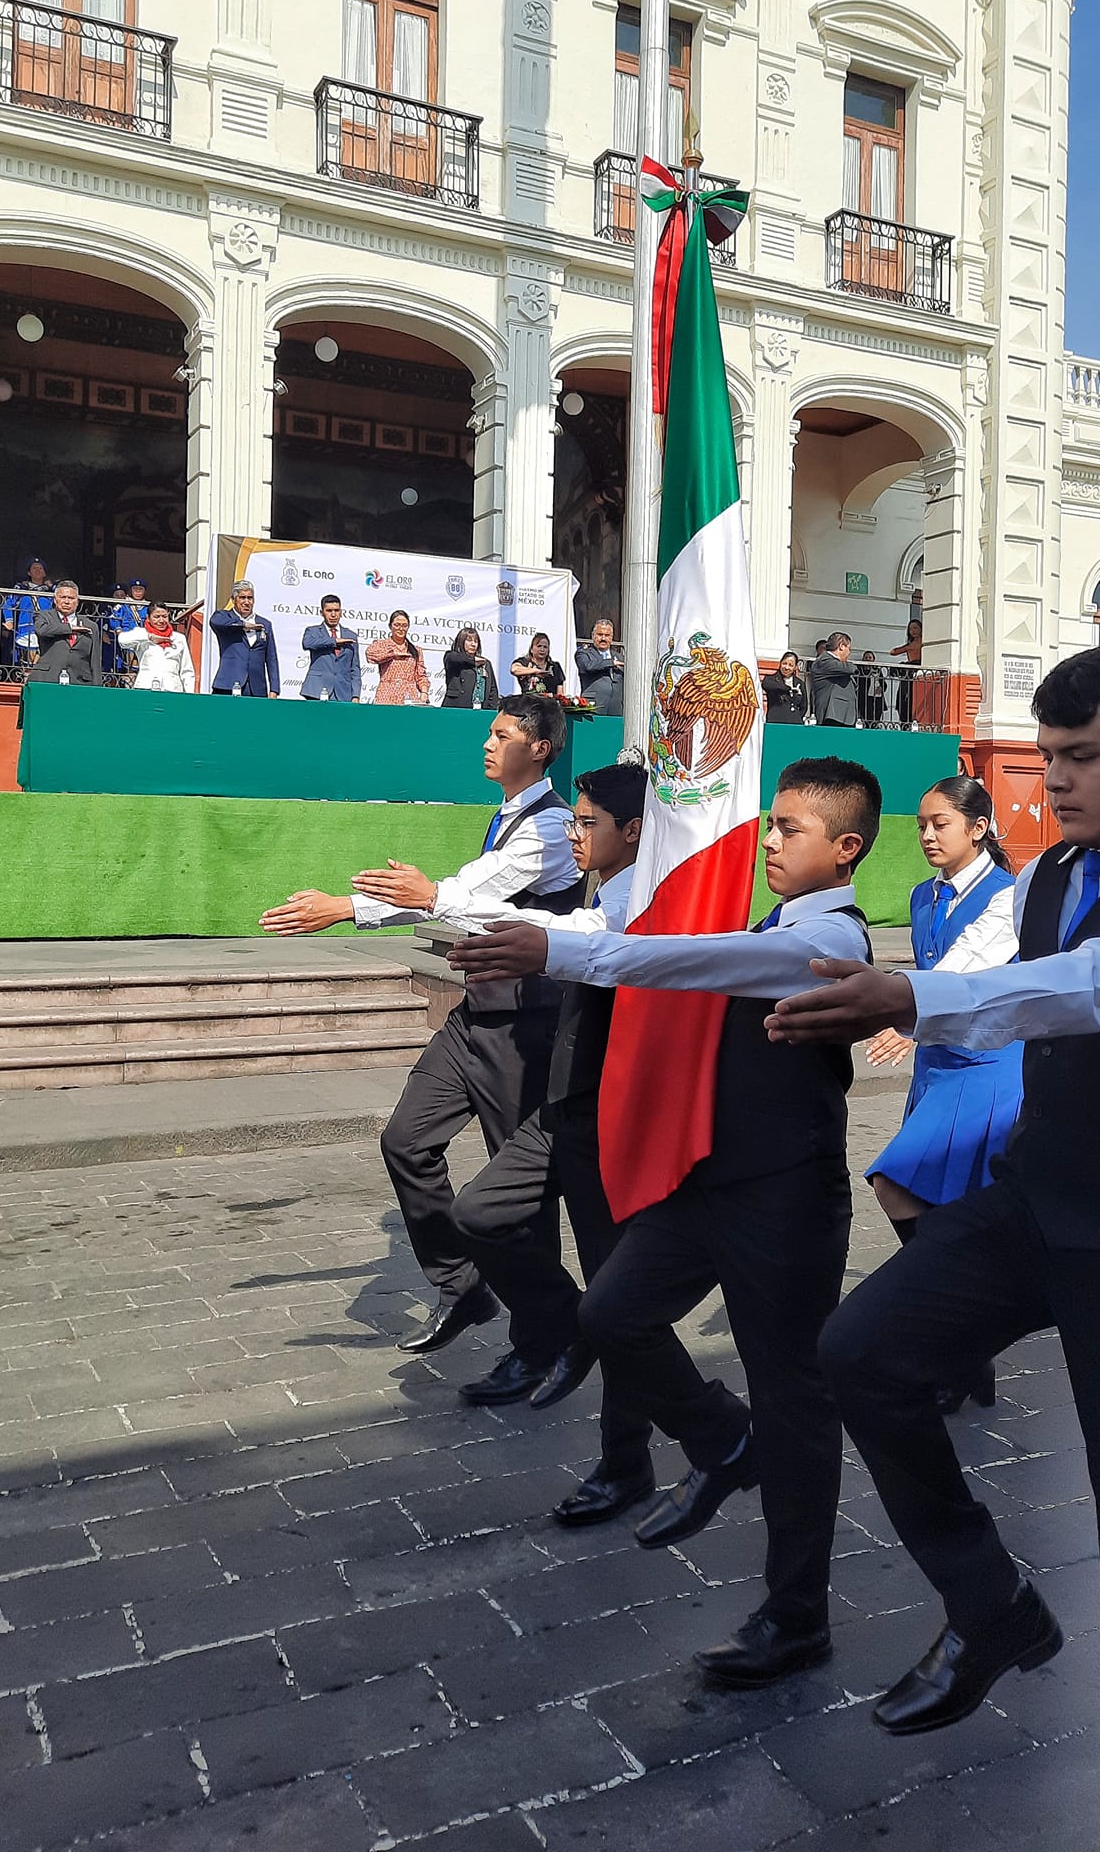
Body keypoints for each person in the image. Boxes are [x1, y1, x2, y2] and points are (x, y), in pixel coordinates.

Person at [766, 646, 1100, 1852]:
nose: (1058, 781)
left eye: (1085, 756)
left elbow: (1088, 989)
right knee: (860, 1348)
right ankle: (991, 1606)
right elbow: (1047, 1004)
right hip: (1034, 1203)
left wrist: (909, 997)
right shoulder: (1054, 875)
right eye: (1051, 756)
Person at [456, 759, 881, 1689]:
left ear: (845, 850)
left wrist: (555, 950)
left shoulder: (829, 944)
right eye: (767, 825)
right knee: (608, 1316)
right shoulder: (763, 926)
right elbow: (665, 936)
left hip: (786, 1202)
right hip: (707, 1186)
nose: (769, 843)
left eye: (792, 831)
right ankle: (724, 1440)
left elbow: (675, 960)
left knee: (794, 1398)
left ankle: (795, 1614)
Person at [259, 696, 584, 1355]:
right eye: (488, 733)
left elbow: (468, 893)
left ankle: (543, 1339)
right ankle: (462, 1286)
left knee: (514, 1193)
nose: (487, 744)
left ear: (540, 748)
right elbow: (452, 903)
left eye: (501, 734)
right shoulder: (509, 815)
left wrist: (347, 906)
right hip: (476, 1016)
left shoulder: (548, 829)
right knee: (405, 1140)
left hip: (525, 1027)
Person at [448, 764, 657, 1528]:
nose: (573, 835)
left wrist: (527, 941)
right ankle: (566, 1325)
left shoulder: (643, 902)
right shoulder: (601, 890)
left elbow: (595, 944)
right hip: (564, 1104)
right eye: (572, 821)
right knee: (478, 1212)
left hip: (609, 1117)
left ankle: (624, 1465)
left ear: (631, 832)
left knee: (617, 1300)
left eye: (587, 822)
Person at [865, 776, 1021, 1412]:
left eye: (941, 824)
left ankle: (959, 1337)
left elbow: (968, 968)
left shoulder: (1009, 897)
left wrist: (908, 1018)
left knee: (895, 1182)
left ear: (977, 829)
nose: (927, 835)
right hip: (936, 1066)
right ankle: (967, 1346)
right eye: (922, 824)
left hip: (986, 1067)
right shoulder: (922, 896)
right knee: (947, 1211)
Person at [210, 581, 279, 697]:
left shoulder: (265, 624)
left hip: (256, 688)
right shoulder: (224, 617)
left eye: (250, 598)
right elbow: (215, 621)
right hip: (228, 685)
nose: (247, 602)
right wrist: (243, 625)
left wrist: (274, 689)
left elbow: (271, 658)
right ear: (233, 599)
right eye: (242, 598)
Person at [25, 580, 100, 686]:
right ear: (55, 600)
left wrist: (97, 690)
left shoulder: (91, 625)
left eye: (71, 598)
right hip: (48, 679)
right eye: (63, 597)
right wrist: (70, 628)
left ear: (77, 601)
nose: (66, 601)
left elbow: (95, 661)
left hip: (79, 683)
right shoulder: (44, 616)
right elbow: (41, 630)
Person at [118, 601, 196, 693]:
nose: (161, 621)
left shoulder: (178, 638)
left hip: (172, 689)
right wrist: (149, 637)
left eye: (164, 616)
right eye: (156, 617)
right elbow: (122, 640)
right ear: (148, 618)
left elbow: (187, 670)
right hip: (146, 688)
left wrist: (189, 694)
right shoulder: (141, 635)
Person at [300, 596, 360, 703]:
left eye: (336, 610)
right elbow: (307, 643)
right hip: (316, 691)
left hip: (343, 693)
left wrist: (356, 694)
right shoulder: (313, 631)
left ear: (341, 612)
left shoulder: (351, 636)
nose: (333, 614)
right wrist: (335, 641)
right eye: (329, 611)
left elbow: (355, 668)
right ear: (322, 612)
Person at [366, 611, 429, 705]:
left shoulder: (416, 650)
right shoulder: (382, 645)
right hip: (386, 693)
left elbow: (421, 675)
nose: (401, 629)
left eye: (404, 626)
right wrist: (392, 654)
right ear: (390, 626)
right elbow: (370, 655)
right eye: (397, 625)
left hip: (409, 695)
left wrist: (424, 692)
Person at [1, 559, 53, 668]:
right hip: (25, 631)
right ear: (29, 573)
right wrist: (9, 620)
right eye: (34, 568)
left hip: (45, 630)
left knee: (43, 666)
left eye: (40, 568)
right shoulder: (21, 588)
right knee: (27, 666)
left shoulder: (50, 591)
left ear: (44, 573)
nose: (37, 570)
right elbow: (7, 604)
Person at [442, 625, 499, 711]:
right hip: (455, 708)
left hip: (481, 709)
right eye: (469, 641)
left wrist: (491, 709)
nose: (473, 644)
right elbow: (458, 659)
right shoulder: (451, 657)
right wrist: (473, 661)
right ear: (461, 642)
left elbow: (492, 689)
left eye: (476, 641)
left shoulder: (485, 663)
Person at [575, 619, 625, 716]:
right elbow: (587, 666)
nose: (603, 638)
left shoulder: (620, 657)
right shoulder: (583, 654)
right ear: (593, 636)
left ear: (612, 637)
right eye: (600, 634)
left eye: (607, 635)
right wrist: (611, 662)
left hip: (616, 709)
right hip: (593, 707)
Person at [809, 632, 857, 727]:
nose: (849, 653)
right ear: (841, 646)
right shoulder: (824, 660)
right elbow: (849, 668)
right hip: (832, 715)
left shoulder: (833, 663)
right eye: (849, 649)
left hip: (842, 716)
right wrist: (854, 667)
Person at [511, 632, 565, 698]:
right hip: (529, 704)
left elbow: (560, 694)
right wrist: (535, 671)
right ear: (531, 649)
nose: (542, 649)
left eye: (545, 647)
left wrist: (551, 696)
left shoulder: (555, 666)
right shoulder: (524, 662)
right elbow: (514, 669)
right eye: (539, 646)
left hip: (550, 704)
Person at [762, 651, 808, 725]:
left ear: (795, 667)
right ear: (780, 663)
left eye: (790, 665)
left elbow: (803, 707)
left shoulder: (800, 683)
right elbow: (766, 685)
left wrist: (796, 717)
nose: (786, 667)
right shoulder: (770, 679)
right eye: (784, 663)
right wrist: (788, 689)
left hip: (794, 724)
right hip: (775, 722)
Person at [856, 652, 886, 727]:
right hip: (866, 698)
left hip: (877, 697)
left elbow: (884, 684)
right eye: (866, 658)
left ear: (873, 659)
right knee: (867, 717)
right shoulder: (860, 670)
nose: (868, 659)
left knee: (877, 718)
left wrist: (881, 688)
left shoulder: (878, 670)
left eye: (870, 658)